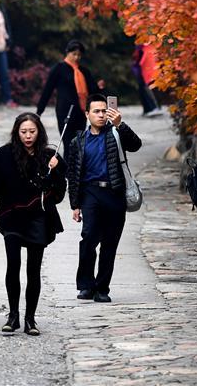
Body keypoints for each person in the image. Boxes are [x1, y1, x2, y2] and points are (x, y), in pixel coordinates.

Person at [0, 113, 67, 336]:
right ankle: (13, 316)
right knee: (13, 265)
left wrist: (55, 171)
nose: (28, 136)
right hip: (12, 216)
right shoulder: (5, 155)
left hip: (38, 216)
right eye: (23, 132)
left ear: (39, 132)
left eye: (32, 131)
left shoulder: (49, 155)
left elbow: (57, 194)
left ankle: (30, 319)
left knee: (34, 270)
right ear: (17, 133)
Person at [65, 94, 141, 303]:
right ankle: (85, 285)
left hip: (114, 194)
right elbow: (73, 174)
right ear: (87, 114)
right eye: (96, 111)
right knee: (88, 239)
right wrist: (75, 205)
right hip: (90, 193)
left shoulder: (115, 133)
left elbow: (136, 145)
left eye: (103, 111)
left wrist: (121, 124)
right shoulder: (78, 140)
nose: (100, 115)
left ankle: (102, 288)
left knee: (110, 243)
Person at [37, 40, 102, 154]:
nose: (76, 57)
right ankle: (67, 171)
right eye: (74, 54)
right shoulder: (58, 69)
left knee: (79, 144)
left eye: (79, 55)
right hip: (65, 112)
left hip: (80, 113)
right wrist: (39, 111)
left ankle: (78, 170)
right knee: (68, 144)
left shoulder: (84, 71)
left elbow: (93, 90)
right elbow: (47, 90)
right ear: (67, 52)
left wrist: (100, 88)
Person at [132, 44, 163, 117]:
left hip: (147, 71)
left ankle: (153, 108)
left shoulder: (146, 47)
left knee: (146, 88)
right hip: (144, 70)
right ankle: (149, 109)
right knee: (143, 88)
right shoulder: (144, 47)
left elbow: (141, 60)